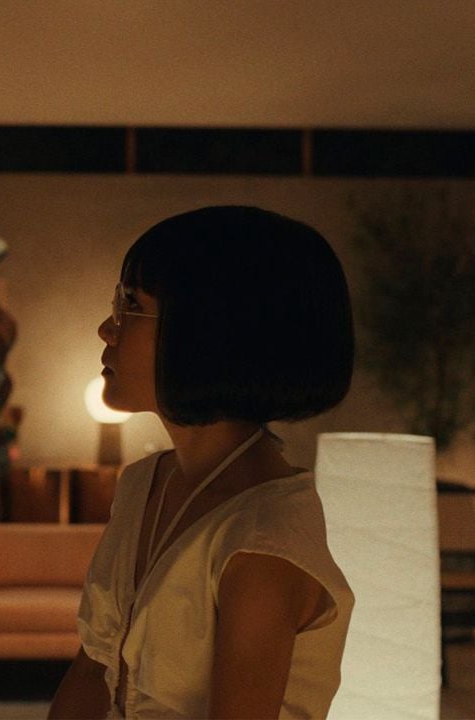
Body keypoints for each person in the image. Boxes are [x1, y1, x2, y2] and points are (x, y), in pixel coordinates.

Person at [49, 206, 356, 719]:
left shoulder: (260, 541)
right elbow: (93, 669)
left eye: (131, 305)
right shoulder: (144, 483)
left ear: (208, 332)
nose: (107, 329)